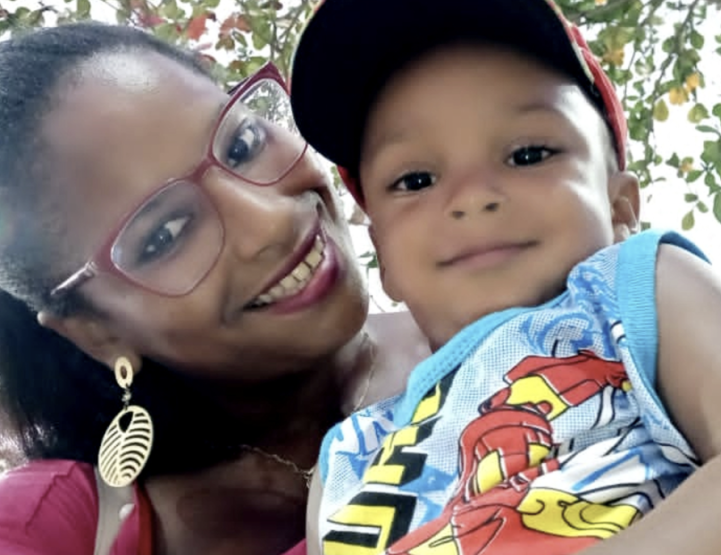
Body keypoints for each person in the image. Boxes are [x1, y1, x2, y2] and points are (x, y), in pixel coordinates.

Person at [290, 1, 721, 554]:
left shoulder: (631, 291)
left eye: (529, 154)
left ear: (621, 207)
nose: (472, 197)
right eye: (416, 180)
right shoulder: (348, 455)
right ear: (383, 259)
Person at [0, 22, 430, 555]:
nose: (270, 222)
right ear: (94, 330)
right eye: (165, 235)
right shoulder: (53, 523)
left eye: (242, 144)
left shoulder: (529, 330)